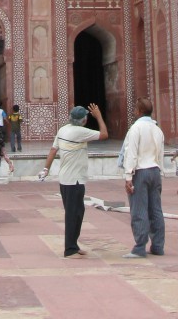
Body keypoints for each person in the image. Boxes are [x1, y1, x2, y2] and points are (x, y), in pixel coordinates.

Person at [38, 103, 108, 259]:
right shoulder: (80, 132)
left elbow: (53, 150)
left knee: (77, 212)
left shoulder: (63, 129)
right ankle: (69, 249)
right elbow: (104, 134)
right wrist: (99, 116)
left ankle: (73, 245)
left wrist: (46, 169)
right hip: (74, 181)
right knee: (72, 214)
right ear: (83, 120)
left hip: (66, 179)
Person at [122, 97, 165, 258]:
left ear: (139, 111)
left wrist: (128, 176)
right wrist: (160, 172)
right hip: (155, 170)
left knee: (139, 209)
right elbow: (160, 153)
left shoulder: (136, 128)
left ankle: (139, 247)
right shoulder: (157, 129)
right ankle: (158, 246)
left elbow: (131, 153)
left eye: (135, 108)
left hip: (140, 171)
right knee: (155, 210)